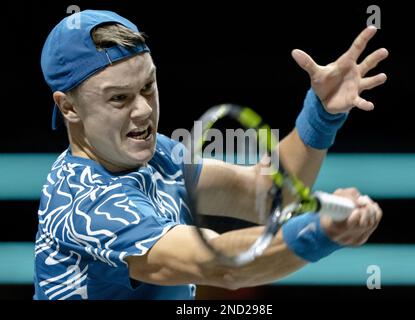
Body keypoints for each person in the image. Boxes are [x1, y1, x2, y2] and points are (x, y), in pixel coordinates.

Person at [34, 9, 387, 300]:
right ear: (69, 108)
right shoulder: (87, 201)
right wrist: (321, 231)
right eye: (119, 98)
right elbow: (222, 266)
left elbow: (263, 194)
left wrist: (321, 114)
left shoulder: (160, 156)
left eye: (147, 87)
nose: (143, 110)